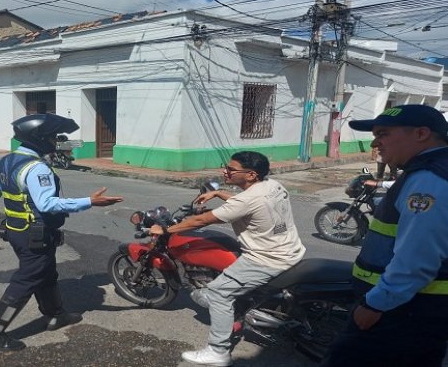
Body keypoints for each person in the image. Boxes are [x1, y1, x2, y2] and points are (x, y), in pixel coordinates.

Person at [0, 113, 123, 352]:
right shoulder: (37, 169)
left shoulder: (5, 162)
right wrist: (89, 202)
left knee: (46, 273)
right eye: (51, 137)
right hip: (34, 234)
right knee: (26, 281)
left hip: (17, 232)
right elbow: (47, 204)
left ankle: (55, 315)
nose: (55, 141)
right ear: (39, 139)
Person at [149, 151, 306, 366]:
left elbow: (201, 220)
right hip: (291, 250)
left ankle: (217, 352)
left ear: (251, 175)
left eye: (231, 169)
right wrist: (220, 194)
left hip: (266, 259)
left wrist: (166, 229)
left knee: (217, 295)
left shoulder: (247, 200)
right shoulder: (273, 186)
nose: (225, 171)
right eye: (226, 167)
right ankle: (241, 310)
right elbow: (249, 203)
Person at [322, 104, 448, 367]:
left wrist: (376, 304)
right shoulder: (428, 170)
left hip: (405, 311)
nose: (375, 143)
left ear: (422, 133)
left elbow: (416, 259)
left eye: (383, 134)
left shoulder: (429, 180)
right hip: (413, 308)